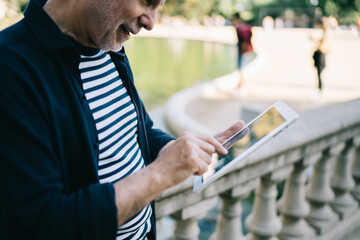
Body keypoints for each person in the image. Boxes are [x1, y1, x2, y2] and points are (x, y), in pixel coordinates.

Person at [0, 0, 244, 239]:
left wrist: (176, 150)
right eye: (146, 2)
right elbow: (38, 223)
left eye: (159, 6)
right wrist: (159, 174)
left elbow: (138, 130)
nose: (151, 23)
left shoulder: (108, 46)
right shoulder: (10, 66)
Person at [231, 12, 253, 89]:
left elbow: (245, 41)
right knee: (243, 67)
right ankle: (241, 83)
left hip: (243, 50)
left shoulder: (240, 28)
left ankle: (241, 84)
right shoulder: (245, 26)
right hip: (246, 49)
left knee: (241, 68)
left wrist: (243, 50)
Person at [309, 17, 329, 98]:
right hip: (320, 54)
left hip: (321, 54)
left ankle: (320, 88)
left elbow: (321, 46)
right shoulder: (325, 32)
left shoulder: (326, 33)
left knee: (319, 73)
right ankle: (319, 88)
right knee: (319, 74)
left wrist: (312, 40)